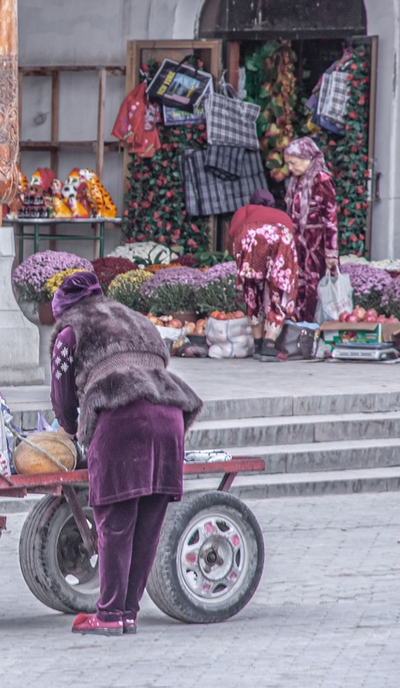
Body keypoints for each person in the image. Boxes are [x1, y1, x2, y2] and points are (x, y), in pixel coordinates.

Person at [49, 271, 203, 636]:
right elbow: (159, 364)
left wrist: (68, 431)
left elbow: (63, 397)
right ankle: (127, 613)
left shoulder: (70, 332)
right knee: (147, 524)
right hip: (169, 419)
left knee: (115, 523)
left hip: (122, 420)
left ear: (63, 309)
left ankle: (107, 615)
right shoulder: (136, 319)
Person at [228, 189, 299, 360]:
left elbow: (233, 233)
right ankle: (269, 343)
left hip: (250, 235)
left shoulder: (245, 210)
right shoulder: (280, 214)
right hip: (280, 236)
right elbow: (291, 234)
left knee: (251, 288)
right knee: (277, 288)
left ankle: (258, 343)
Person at [283, 137, 339, 322]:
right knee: (298, 286)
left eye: (293, 163)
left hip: (317, 247)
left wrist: (331, 252)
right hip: (299, 244)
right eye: (288, 164)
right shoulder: (297, 181)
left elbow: (330, 217)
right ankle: (299, 332)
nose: (290, 168)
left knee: (315, 289)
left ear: (306, 158)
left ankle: (314, 331)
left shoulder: (321, 179)